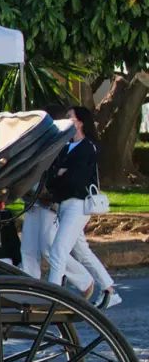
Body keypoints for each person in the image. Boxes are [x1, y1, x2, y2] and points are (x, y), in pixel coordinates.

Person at [21, 102, 117, 300]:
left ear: (80, 123)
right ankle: (109, 289)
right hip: (64, 204)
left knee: (57, 250)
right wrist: (60, 174)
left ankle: (54, 297)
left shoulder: (87, 147)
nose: (67, 120)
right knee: (82, 252)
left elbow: (75, 180)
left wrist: (61, 175)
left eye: (70, 116)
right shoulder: (66, 148)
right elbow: (52, 176)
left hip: (78, 204)